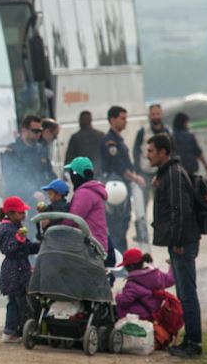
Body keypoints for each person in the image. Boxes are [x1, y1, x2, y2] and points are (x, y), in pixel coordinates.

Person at [146, 133, 203, 358]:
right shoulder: (167, 174)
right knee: (183, 291)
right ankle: (189, 339)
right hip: (178, 241)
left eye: (151, 151)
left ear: (163, 152)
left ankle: (194, 342)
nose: (147, 155)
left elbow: (181, 211)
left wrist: (178, 241)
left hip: (183, 242)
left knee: (187, 293)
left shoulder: (175, 175)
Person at [101, 106, 146, 253]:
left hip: (123, 188)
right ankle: (118, 261)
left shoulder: (118, 140)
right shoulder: (110, 141)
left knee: (123, 224)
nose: (125, 121)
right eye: (122, 118)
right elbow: (118, 166)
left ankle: (121, 260)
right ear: (112, 120)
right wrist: (136, 178)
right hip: (116, 190)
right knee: (117, 226)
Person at [0, 196, 40, 343]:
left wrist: (39, 246)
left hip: (19, 268)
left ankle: (15, 330)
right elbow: (9, 249)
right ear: (11, 213)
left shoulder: (15, 227)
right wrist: (19, 239)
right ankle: (10, 331)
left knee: (17, 301)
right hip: (14, 271)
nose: (23, 215)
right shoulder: (6, 229)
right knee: (16, 302)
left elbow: (26, 247)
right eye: (21, 213)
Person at [1, 114, 54, 213]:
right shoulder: (12, 151)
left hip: (40, 202)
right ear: (24, 131)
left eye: (40, 131)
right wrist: (32, 192)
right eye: (35, 131)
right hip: (20, 203)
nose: (39, 134)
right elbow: (12, 177)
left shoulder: (41, 150)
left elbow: (49, 173)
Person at [115, 248, 175, 321]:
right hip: (155, 312)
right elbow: (171, 280)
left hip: (142, 316)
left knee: (119, 307)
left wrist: (117, 296)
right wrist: (172, 265)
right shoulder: (156, 274)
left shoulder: (132, 283)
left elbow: (124, 301)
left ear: (131, 266)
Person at [64, 157, 109, 252]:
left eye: (71, 173)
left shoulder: (85, 193)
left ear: (75, 175)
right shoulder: (90, 190)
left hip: (91, 247)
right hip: (93, 244)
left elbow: (72, 220)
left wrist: (53, 222)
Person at [133, 103, 170, 189]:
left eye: (158, 114)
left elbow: (173, 150)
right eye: (153, 114)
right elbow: (136, 150)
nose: (156, 116)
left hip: (162, 171)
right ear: (149, 116)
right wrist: (137, 170)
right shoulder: (142, 131)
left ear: (161, 114)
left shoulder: (168, 131)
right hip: (145, 170)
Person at [65, 110, 105, 175]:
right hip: (97, 172)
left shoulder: (75, 137)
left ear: (80, 121)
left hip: (81, 173)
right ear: (90, 121)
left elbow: (69, 156)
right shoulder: (100, 135)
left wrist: (66, 171)